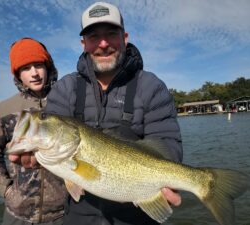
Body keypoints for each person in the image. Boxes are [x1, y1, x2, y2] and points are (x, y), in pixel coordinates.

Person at [45, 2, 183, 225]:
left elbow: (167, 144)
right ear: (83, 44)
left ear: (125, 37)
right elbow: (53, 148)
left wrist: (168, 182)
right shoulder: (64, 88)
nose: (103, 43)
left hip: (136, 216)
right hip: (79, 216)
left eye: (111, 34)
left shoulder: (152, 87)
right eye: (93, 37)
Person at [0, 38, 67, 225]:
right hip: (18, 214)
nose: (34, 73)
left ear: (48, 67)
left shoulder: (66, 101)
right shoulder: (5, 109)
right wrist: (5, 189)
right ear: (18, 74)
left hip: (63, 213)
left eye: (38, 65)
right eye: (26, 68)